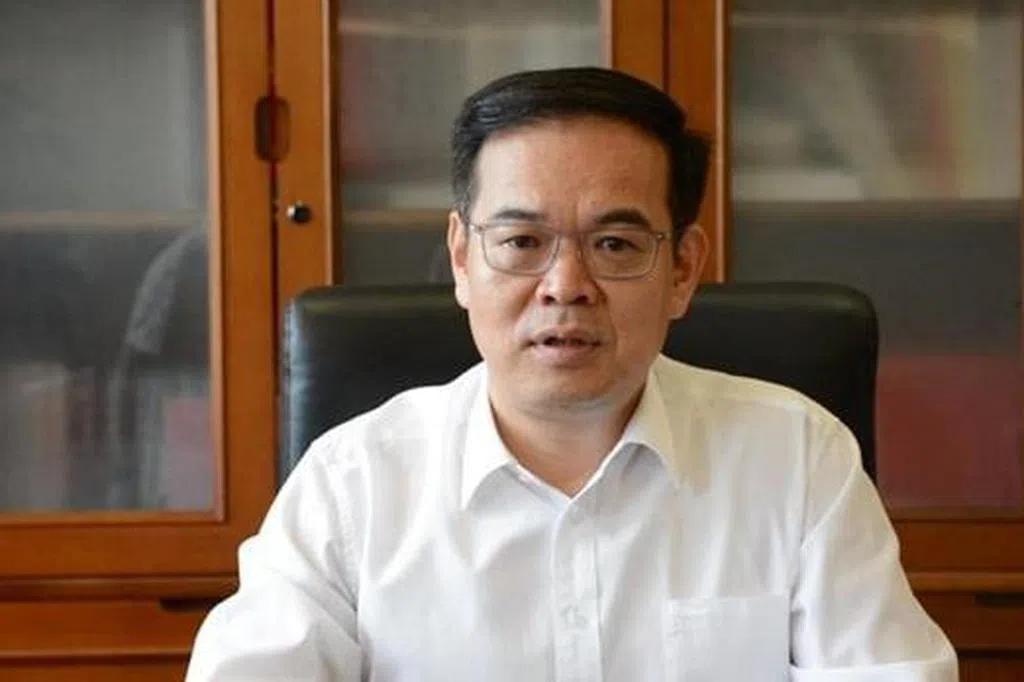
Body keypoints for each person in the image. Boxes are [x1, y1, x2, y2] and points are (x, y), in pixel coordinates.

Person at [186, 67, 957, 681]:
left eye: (615, 245)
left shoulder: (796, 458)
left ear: (682, 271)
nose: (565, 285)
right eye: (522, 242)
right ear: (462, 259)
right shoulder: (352, 485)